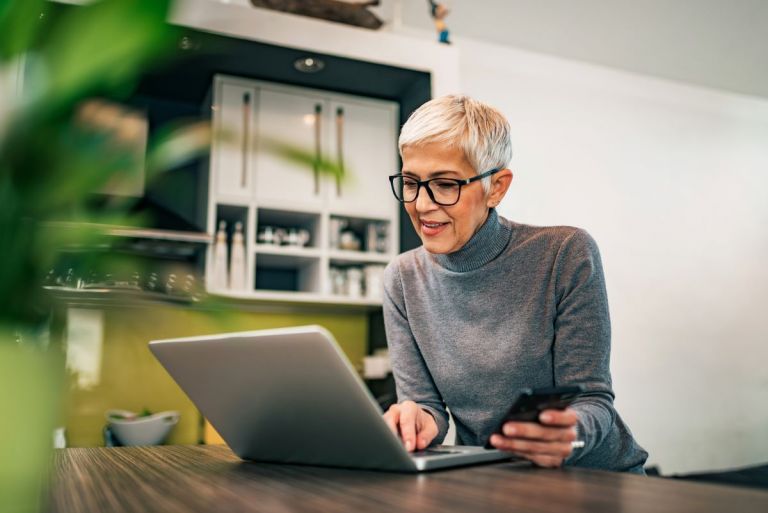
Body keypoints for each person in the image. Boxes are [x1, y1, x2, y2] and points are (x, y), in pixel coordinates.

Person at [381, 95, 648, 473]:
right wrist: (417, 421)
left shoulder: (564, 253)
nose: (422, 205)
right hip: (492, 478)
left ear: (496, 187)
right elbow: (427, 407)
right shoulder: (402, 279)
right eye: (410, 182)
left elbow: (592, 399)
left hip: (595, 477)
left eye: (444, 184)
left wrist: (567, 435)